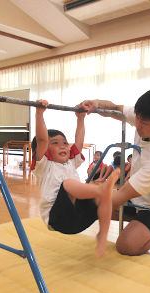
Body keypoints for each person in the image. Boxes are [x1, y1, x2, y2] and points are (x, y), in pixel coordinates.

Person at [79, 89, 150, 255]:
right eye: (138, 119)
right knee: (92, 209)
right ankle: (143, 226)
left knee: (126, 246)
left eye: (144, 123)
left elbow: (120, 196)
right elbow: (115, 108)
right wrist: (96, 103)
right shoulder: (146, 116)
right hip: (137, 198)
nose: (138, 125)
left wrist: (80, 196)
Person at [31, 100, 120, 257]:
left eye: (65, 143)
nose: (64, 146)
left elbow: (78, 142)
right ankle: (100, 189)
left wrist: (80, 118)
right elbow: (42, 140)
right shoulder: (44, 165)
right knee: (69, 184)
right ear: (45, 151)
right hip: (58, 218)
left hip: (79, 218)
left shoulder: (71, 162)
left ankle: (102, 236)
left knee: (104, 198)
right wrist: (39, 114)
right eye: (56, 143)